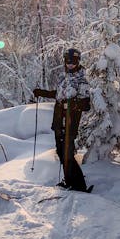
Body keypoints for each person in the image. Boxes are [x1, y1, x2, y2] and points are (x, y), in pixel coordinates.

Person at [33, 47, 91, 192]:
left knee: (68, 153)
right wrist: (42, 93)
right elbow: (59, 94)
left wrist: (70, 105)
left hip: (70, 122)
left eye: (73, 61)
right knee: (61, 152)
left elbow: (86, 104)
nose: (70, 64)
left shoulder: (81, 79)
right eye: (67, 61)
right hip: (58, 121)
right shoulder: (64, 77)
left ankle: (78, 185)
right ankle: (69, 181)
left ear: (78, 61)